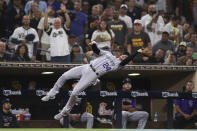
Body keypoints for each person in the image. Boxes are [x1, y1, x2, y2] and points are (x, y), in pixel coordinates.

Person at [41, 41, 141, 120]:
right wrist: (93, 45)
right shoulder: (109, 54)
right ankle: (52, 93)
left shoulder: (118, 66)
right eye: (124, 55)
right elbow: (97, 51)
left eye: (126, 57)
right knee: (64, 75)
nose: (124, 56)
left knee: (74, 92)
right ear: (120, 54)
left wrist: (137, 52)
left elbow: (127, 60)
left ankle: (64, 111)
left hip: (93, 75)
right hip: (87, 67)